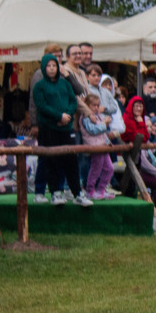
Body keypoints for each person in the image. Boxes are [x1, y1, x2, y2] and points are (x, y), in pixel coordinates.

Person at [32, 53, 92, 207]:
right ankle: (55, 192)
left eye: (54, 65)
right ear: (44, 68)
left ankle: (77, 193)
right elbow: (41, 105)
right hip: (49, 127)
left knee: (71, 160)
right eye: (49, 66)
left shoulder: (65, 84)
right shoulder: (40, 86)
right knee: (51, 160)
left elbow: (73, 100)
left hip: (66, 127)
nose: (52, 69)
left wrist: (67, 115)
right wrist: (58, 116)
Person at [121, 97, 156, 217]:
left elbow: (144, 137)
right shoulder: (127, 119)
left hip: (140, 161)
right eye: (136, 106)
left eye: (141, 106)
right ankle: (155, 210)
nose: (139, 109)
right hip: (132, 161)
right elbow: (133, 135)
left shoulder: (142, 121)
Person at [28, 43, 66, 203]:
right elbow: (34, 102)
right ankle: (39, 191)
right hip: (44, 122)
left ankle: (58, 190)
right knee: (44, 157)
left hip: (61, 123)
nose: (58, 59)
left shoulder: (62, 75)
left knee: (62, 156)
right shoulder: (39, 74)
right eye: (55, 55)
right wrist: (34, 123)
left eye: (59, 56)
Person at [81, 93, 114, 200]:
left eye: (97, 105)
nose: (96, 108)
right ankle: (90, 190)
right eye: (93, 105)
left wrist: (108, 140)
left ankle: (101, 190)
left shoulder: (99, 116)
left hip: (103, 146)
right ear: (87, 105)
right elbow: (93, 130)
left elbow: (103, 133)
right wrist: (104, 124)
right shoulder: (85, 117)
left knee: (109, 168)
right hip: (94, 146)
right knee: (96, 169)